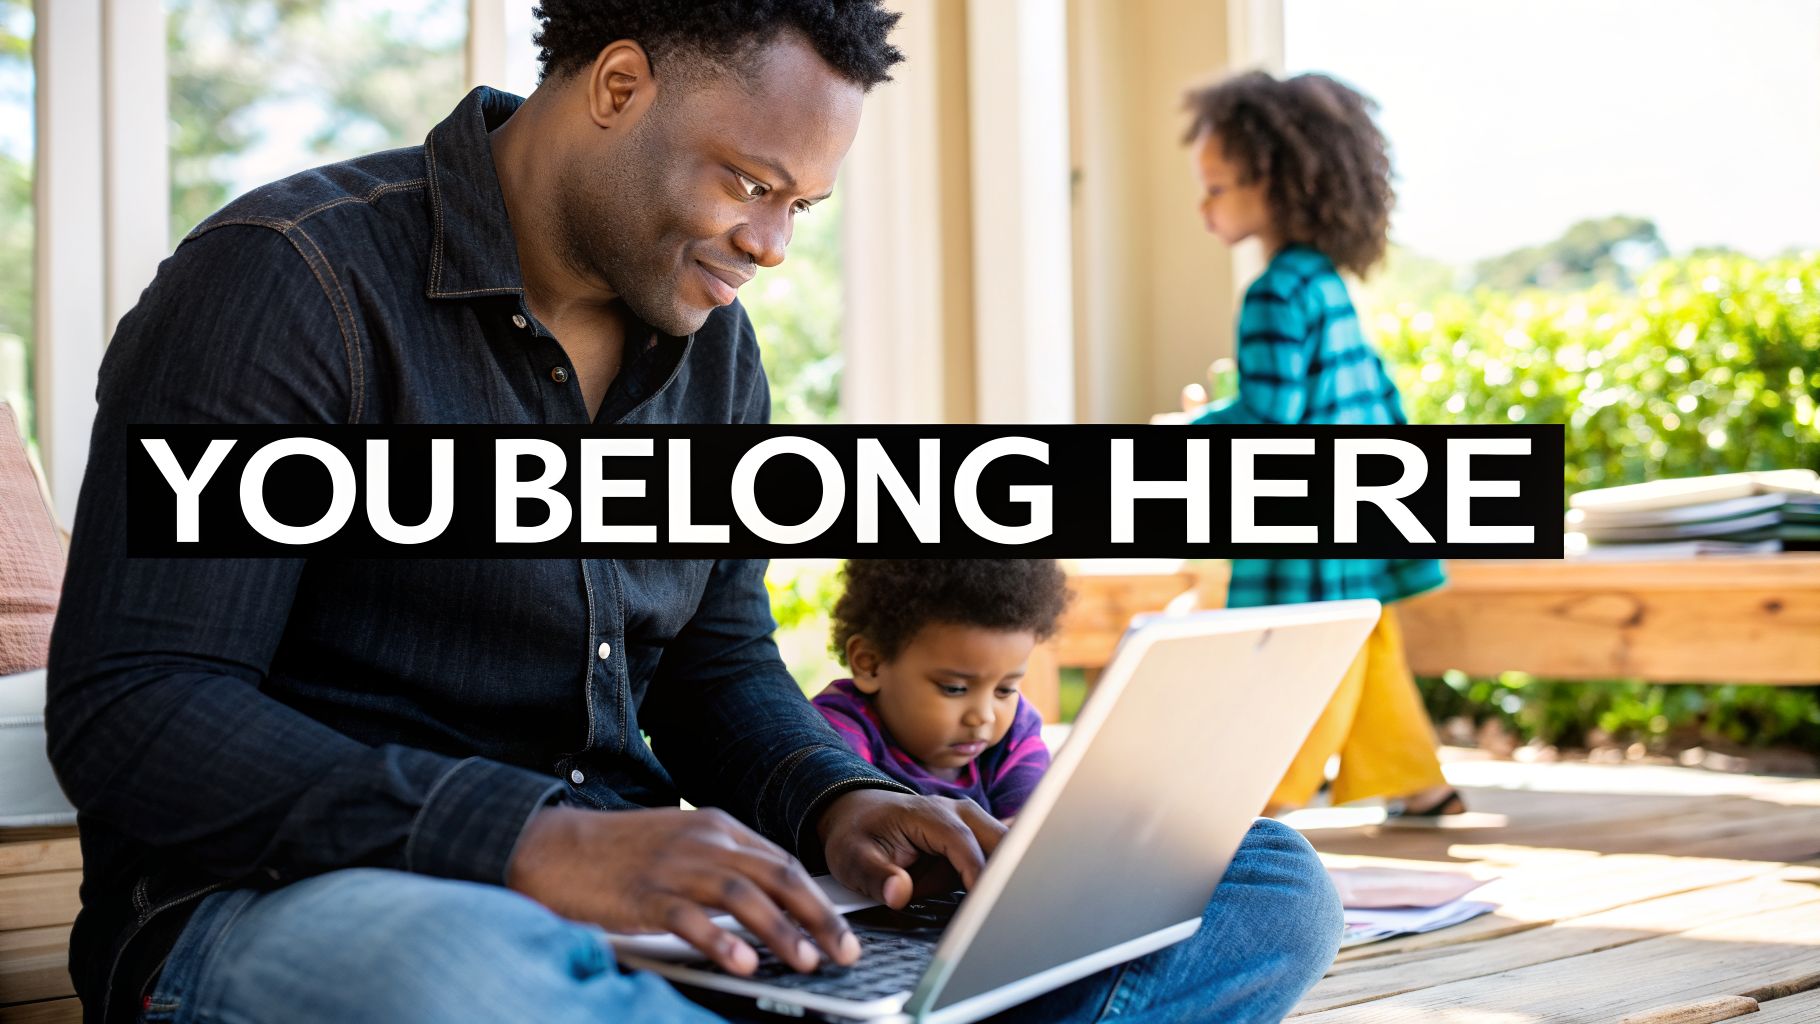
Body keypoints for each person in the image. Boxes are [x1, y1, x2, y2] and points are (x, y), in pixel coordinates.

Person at [46, 7, 1342, 1022]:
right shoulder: (290, 281)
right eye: (749, 182)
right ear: (618, 87)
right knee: (464, 973)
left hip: (646, 925)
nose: (773, 245)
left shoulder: (709, 346)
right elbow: (140, 707)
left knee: (1256, 880)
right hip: (300, 914)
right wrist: (527, 843)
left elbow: (715, 667)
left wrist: (836, 801)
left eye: (802, 207)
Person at [1180, 70, 1465, 820]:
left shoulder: (1275, 291)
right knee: (1369, 645)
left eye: (1215, 188)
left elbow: (1272, 418)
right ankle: (1415, 779)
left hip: (1307, 519)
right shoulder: (1327, 283)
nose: (1202, 206)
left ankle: (1260, 800)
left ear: (1271, 183)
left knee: (1295, 657)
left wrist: (1189, 432)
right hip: (1359, 502)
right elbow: (1373, 391)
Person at [812, 560, 1064, 820]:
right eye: (955, 689)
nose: (984, 716)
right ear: (871, 664)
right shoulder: (833, 731)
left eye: (1005, 689)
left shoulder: (1016, 735)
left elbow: (1026, 828)